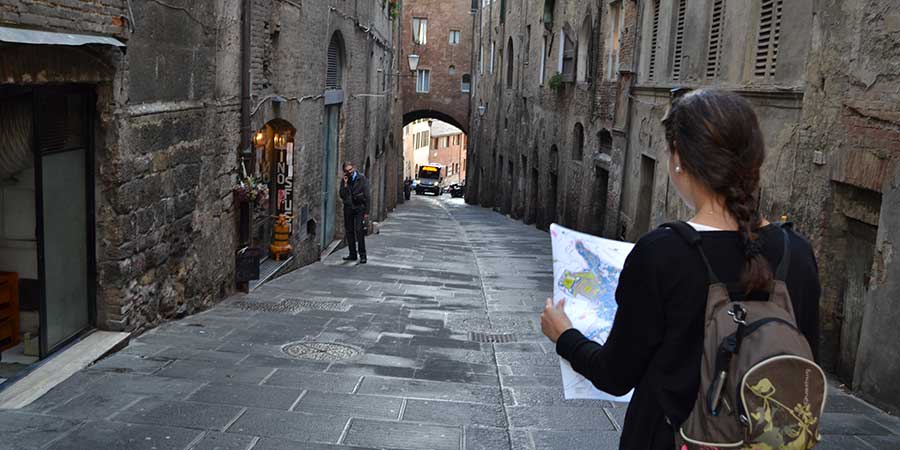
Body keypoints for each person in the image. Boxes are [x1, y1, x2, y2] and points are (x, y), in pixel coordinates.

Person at [540, 89, 821, 450]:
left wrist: (565, 336)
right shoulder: (797, 253)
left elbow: (614, 375)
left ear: (678, 161)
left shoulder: (662, 253)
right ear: (755, 160)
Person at [339, 162, 370, 264]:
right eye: (347, 171)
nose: (349, 172)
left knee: (359, 230)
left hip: (359, 208)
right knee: (349, 231)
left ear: (354, 168)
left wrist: (366, 211)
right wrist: (345, 184)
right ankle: (352, 254)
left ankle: (363, 255)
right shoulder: (344, 180)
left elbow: (367, 195)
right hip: (348, 208)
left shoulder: (362, 178)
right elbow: (342, 195)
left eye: (350, 170)